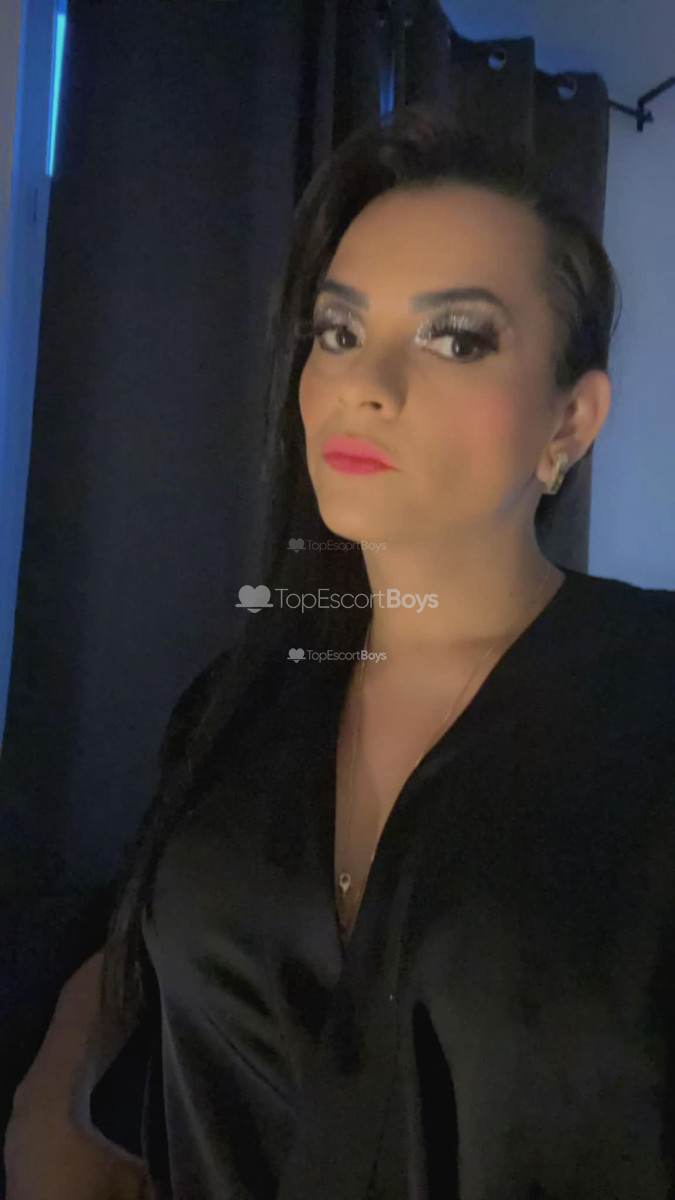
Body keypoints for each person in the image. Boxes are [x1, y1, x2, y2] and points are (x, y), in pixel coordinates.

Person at [6, 102, 675, 1200]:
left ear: (569, 422)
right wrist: (49, 1105)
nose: (369, 384)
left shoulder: (650, 697)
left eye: (457, 338)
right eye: (338, 331)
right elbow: (132, 933)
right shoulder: (239, 703)